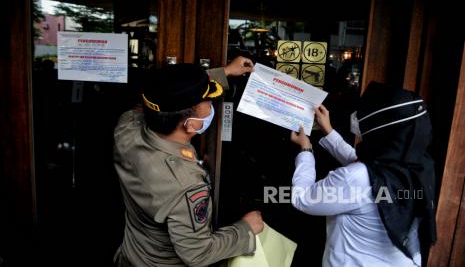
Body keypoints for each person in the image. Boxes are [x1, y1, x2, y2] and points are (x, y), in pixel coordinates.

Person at [113, 56, 264, 267]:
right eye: (208, 103)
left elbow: (163, 94)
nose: (212, 106)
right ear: (190, 125)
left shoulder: (127, 127)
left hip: (133, 257)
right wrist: (245, 229)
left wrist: (225, 72)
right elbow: (198, 253)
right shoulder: (185, 184)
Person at [290, 81, 436, 266]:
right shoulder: (419, 166)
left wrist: (306, 149)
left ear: (381, 131)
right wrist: (329, 131)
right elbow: (368, 169)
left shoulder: (356, 178)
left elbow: (302, 199)